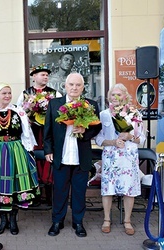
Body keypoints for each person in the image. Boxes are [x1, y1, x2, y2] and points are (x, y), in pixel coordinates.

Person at [0, 83, 40, 235]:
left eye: (9, 93)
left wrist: (29, 150)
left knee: (15, 185)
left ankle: (13, 219)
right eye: (4, 93)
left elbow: (26, 133)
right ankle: (3, 220)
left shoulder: (19, 111)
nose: (8, 96)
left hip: (16, 150)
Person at [43, 73, 102, 237]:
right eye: (71, 84)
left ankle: (78, 222)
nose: (74, 88)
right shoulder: (55, 104)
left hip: (81, 156)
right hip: (60, 156)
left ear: (83, 87)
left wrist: (85, 130)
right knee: (59, 191)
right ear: (65, 86)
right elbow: (47, 130)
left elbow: (97, 128)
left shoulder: (91, 104)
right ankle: (57, 221)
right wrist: (48, 150)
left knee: (79, 191)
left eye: (78, 85)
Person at [95, 83, 146, 235]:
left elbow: (142, 138)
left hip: (128, 157)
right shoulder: (104, 114)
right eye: (112, 94)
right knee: (107, 190)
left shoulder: (135, 114)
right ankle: (106, 220)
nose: (115, 97)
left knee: (129, 190)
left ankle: (127, 221)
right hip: (110, 156)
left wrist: (130, 136)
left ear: (125, 96)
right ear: (108, 98)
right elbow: (99, 138)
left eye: (119, 94)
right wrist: (112, 142)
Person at [16, 64, 62, 206]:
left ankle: (50, 196)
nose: (46, 77)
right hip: (32, 133)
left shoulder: (55, 94)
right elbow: (19, 112)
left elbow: (61, 112)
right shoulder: (25, 94)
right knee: (33, 159)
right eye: (42, 74)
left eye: (47, 75)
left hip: (49, 133)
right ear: (34, 76)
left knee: (50, 159)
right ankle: (34, 195)